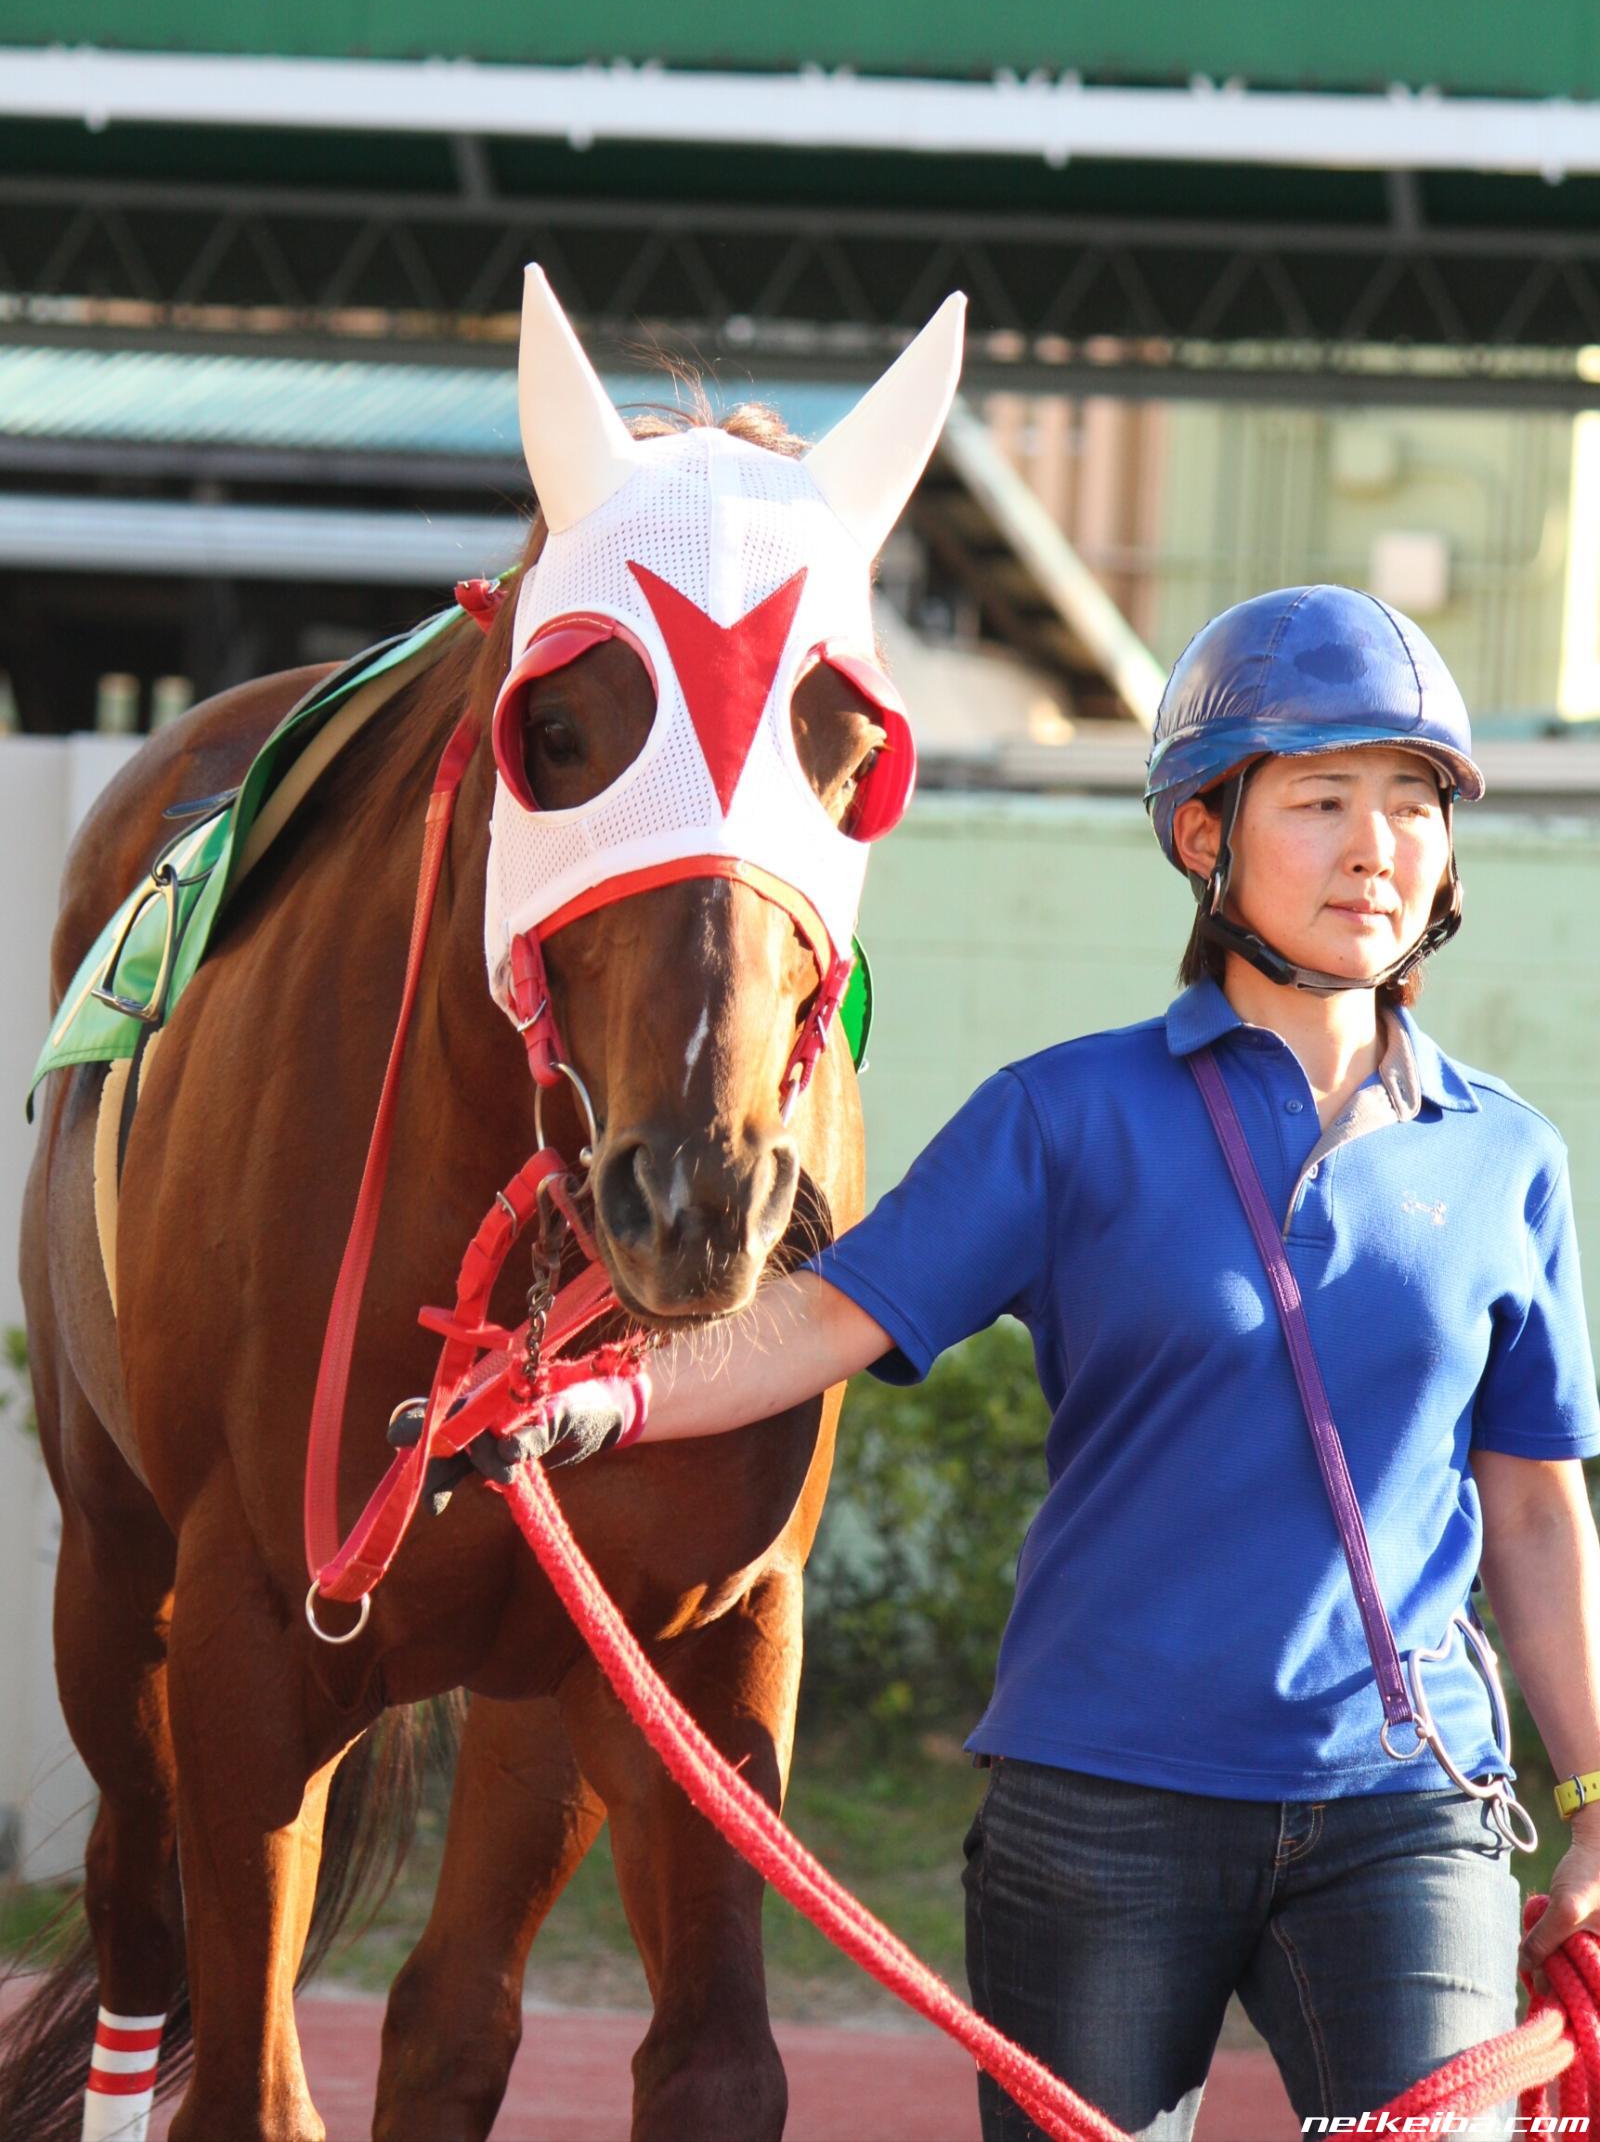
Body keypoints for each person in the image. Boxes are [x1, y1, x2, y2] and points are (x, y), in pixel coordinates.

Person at [514, 586, 1600, 2142]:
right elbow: (821, 1320)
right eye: (1321, 798)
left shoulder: (1509, 1157)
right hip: (1102, 1803)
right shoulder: (1063, 1115)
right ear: (1204, 834)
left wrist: (1592, 1795)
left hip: (1407, 1802)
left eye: (1414, 800)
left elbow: (1537, 1507)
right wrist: (589, 1399)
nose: (1377, 844)